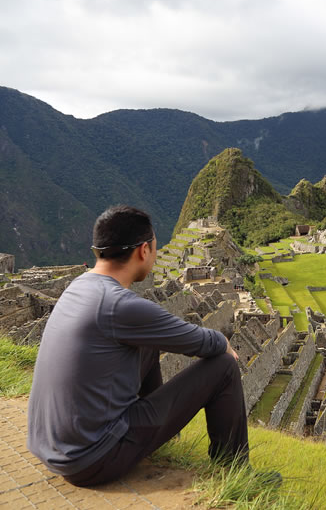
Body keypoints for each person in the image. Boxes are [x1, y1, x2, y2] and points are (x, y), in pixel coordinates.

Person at [27, 205, 259, 487]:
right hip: (93, 459)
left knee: (148, 344)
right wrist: (223, 341)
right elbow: (203, 342)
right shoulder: (118, 305)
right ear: (143, 251)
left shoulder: (79, 286)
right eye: (155, 248)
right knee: (224, 367)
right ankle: (236, 474)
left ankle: (159, 439)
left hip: (55, 447)